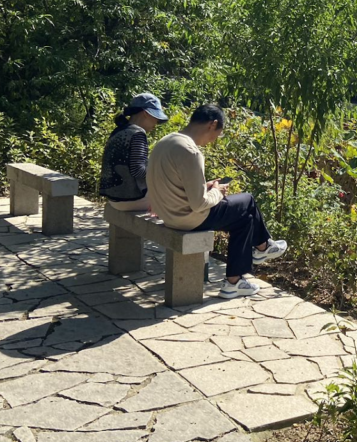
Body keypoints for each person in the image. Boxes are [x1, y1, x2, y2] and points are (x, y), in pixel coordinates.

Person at [146, 104, 287, 298]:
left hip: (169, 214)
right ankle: (263, 246)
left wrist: (207, 187)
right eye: (218, 134)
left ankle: (235, 282)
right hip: (188, 218)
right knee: (247, 200)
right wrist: (218, 192)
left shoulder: (167, 141)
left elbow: (177, 186)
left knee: (245, 219)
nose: (214, 140)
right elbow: (199, 204)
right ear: (212, 125)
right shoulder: (190, 151)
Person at [99, 92, 169, 212]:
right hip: (132, 199)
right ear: (146, 113)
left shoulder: (119, 130)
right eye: (156, 118)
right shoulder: (138, 134)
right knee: (179, 198)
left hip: (114, 199)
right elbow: (138, 171)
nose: (156, 124)